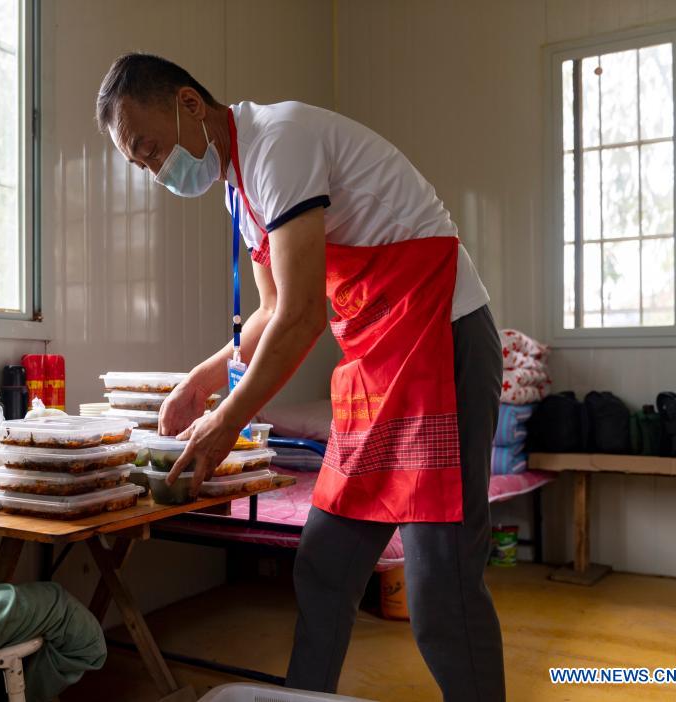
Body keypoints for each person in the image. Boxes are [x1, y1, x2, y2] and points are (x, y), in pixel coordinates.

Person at [95, 52, 506, 701]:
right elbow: (269, 310)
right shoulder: (238, 185)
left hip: (437, 341)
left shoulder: (275, 144)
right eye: (139, 163)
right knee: (324, 569)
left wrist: (225, 422)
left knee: (440, 590)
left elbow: (303, 314)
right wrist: (204, 377)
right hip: (376, 363)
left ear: (189, 105)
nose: (152, 169)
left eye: (148, 148)